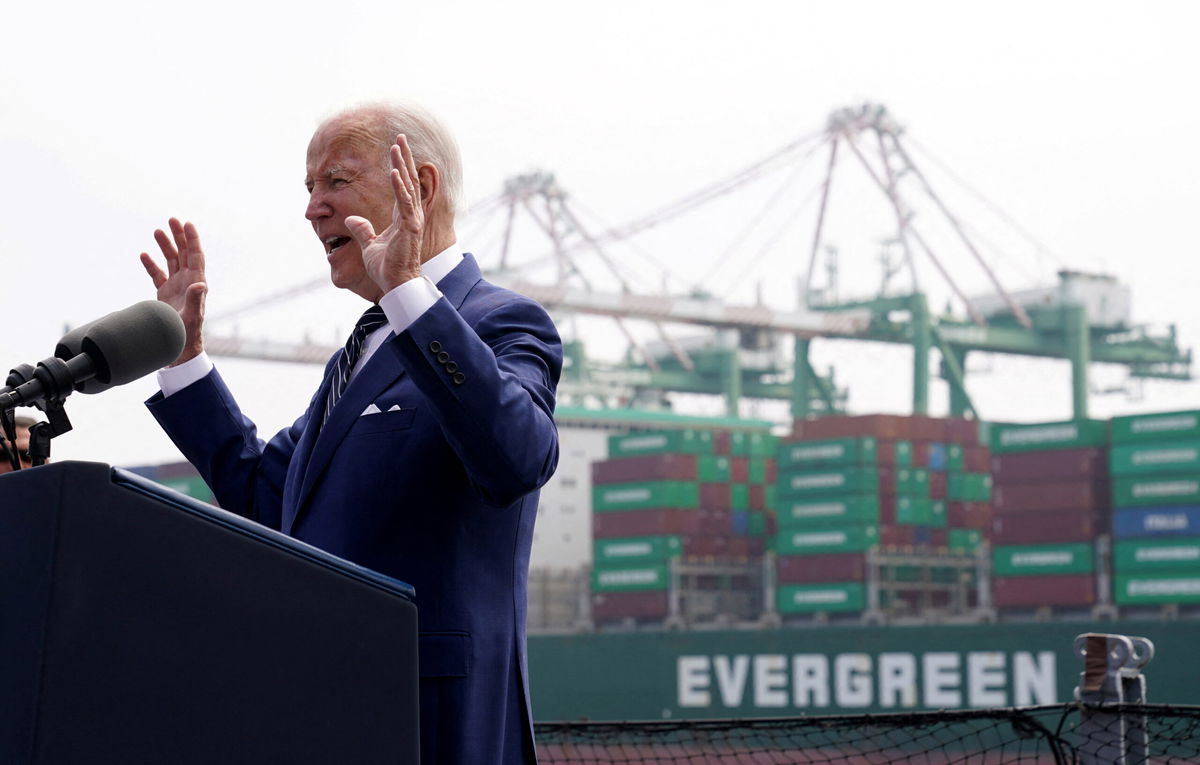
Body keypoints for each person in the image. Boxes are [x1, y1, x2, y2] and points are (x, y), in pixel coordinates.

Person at [140, 102, 561, 764]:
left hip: (433, 725)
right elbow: (265, 497)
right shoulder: (358, 355)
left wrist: (411, 294)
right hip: (325, 715)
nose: (313, 208)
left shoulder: (502, 322)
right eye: (309, 189)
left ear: (417, 187)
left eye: (335, 180)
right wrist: (184, 359)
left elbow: (518, 456)